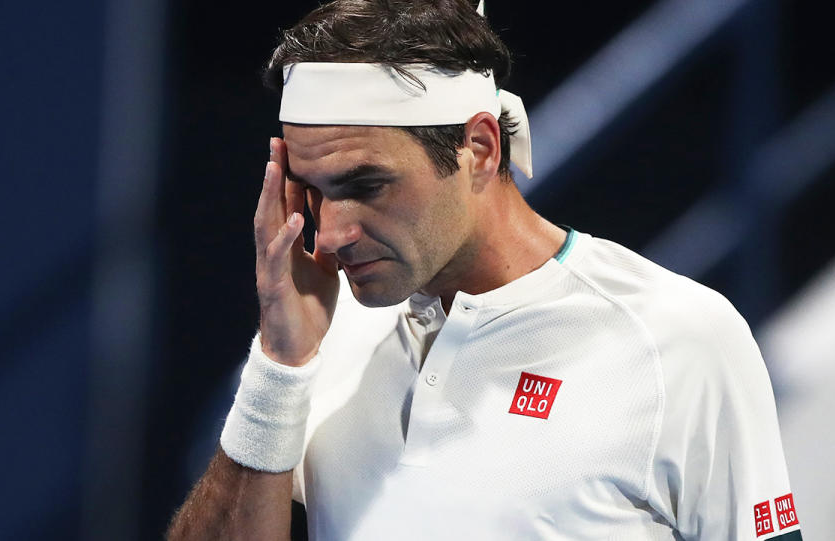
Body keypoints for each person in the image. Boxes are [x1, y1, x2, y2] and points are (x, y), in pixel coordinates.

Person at [167, 1, 802, 539]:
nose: (330, 234)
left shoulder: (680, 338)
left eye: (368, 184)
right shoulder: (318, 341)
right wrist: (280, 364)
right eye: (311, 190)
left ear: (478, 148)